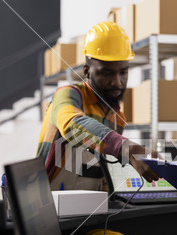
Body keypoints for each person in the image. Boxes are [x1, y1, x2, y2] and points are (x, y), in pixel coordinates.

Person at [37, 21, 159, 191]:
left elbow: (101, 173)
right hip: (49, 205)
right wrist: (126, 148)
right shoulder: (67, 95)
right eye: (106, 73)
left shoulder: (117, 119)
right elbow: (72, 125)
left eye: (123, 72)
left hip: (91, 208)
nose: (117, 82)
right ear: (87, 71)